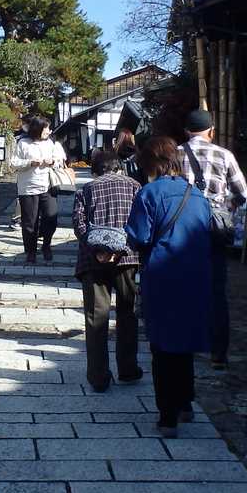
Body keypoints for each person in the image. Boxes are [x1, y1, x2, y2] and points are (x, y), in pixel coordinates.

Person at [126, 136, 213, 436]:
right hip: (196, 275)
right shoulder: (196, 194)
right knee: (184, 341)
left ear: (150, 163)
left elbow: (139, 236)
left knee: (162, 346)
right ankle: (186, 403)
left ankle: (167, 416)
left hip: (163, 275)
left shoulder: (149, 193)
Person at [178, 109, 247, 370]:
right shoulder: (224, 155)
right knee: (216, 291)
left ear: (187, 131)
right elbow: (243, 193)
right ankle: (218, 354)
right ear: (211, 131)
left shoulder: (175, 154)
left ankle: (186, 344)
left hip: (183, 229)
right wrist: (227, 205)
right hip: (214, 228)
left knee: (185, 288)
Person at [71, 149, 143, 392]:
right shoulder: (135, 186)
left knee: (96, 317)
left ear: (95, 171)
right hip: (127, 258)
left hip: (93, 261)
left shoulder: (86, 190)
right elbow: (140, 224)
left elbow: (79, 225)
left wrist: (99, 249)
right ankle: (128, 370)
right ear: (119, 168)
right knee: (127, 313)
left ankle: (98, 377)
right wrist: (120, 249)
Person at [13, 116, 67, 265]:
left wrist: (53, 161)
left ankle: (46, 245)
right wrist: (30, 163)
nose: (49, 131)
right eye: (46, 128)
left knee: (51, 216)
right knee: (30, 222)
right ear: (37, 129)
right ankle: (30, 251)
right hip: (28, 187)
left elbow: (59, 161)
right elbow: (14, 163)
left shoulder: (50, 143)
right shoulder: (23, 143)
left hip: (47, 185)